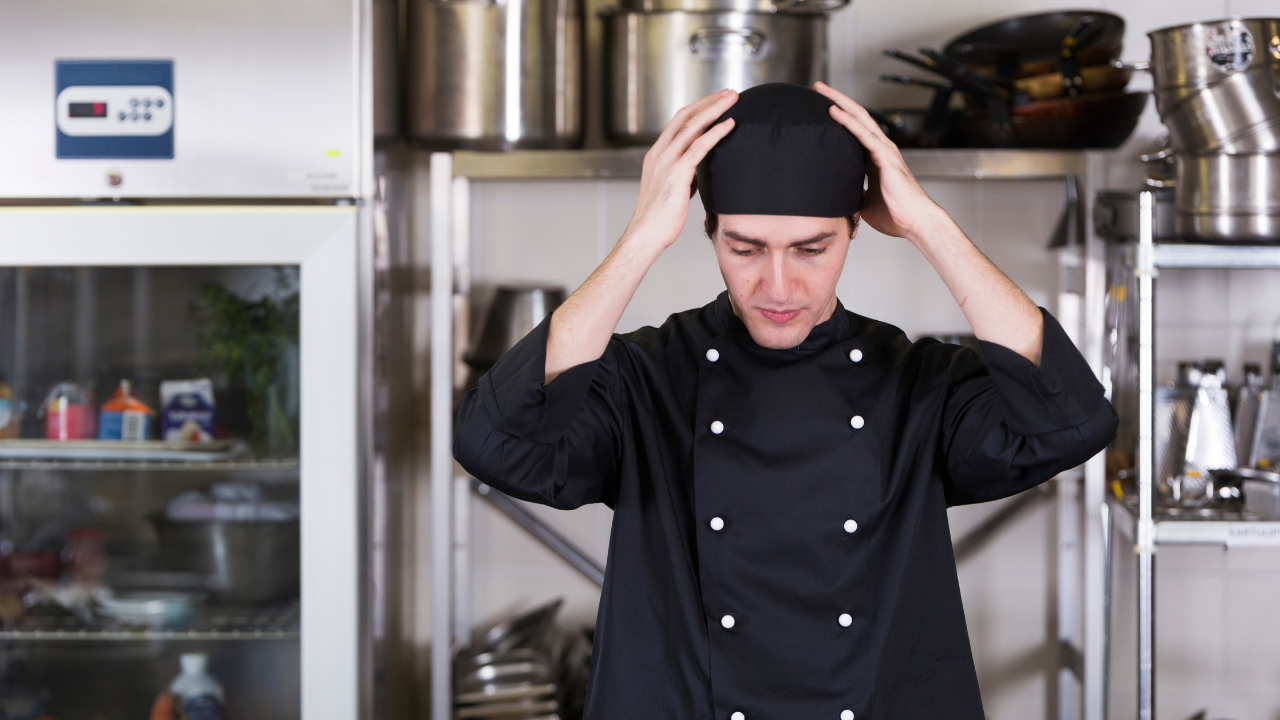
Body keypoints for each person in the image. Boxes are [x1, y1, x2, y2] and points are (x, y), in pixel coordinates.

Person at [454, 82, 1117, 719]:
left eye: (812, 247)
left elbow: (1073, 421)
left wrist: (929, 225)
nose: (778, 284)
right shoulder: (644, 382)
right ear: (707, 230)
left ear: (855, 228)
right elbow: (495, 443)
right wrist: (639, 241)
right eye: (745, 247)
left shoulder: (916, 385)